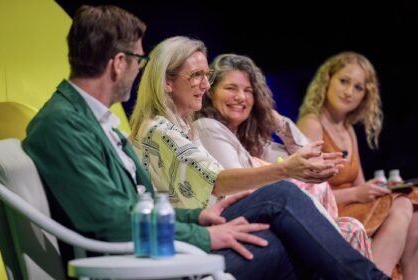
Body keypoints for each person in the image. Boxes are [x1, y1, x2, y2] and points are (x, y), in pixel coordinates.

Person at [21, 6, 389, 278]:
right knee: (282, 201)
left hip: (161, 247)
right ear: (118, 63)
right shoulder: (64, 124)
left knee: (286, 242)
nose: (138, 68)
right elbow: (110, 221)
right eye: (136, 58)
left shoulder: (93, 120)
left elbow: (135, 206)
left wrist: (197, 216)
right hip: (144, 262)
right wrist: (203, 234)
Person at [129, 35, 389, 279]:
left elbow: (307, 154)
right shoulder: (162, 130)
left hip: (209, 224)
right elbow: (217, 180)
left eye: (206, 75)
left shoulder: (188, 128)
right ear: (167, 81)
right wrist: (285, 171)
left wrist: (273, 119)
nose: (205, 85)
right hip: (193, 236)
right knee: (282, 194)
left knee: (289, 246)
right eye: (197, 76)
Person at [193, 53, 371, 259]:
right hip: (241, 221)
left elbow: (309, 158)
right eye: (231, 88)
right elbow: (240, 189)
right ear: (211, 92)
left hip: (280, 218)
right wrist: (287, 173)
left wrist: (278, 121)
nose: (241, 97)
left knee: (353, 228)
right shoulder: (208, 128)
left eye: (248, 91)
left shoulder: (251, 139)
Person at [297, 51, 418, 278]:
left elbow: (361, 184)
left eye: (358, 87)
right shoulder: (311, 125)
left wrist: (385, 188)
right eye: (344, 81)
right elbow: (307, 196)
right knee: (401, 206)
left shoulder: (348, 130)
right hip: (328, 211)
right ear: (327, 80)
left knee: (413, 201)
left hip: (353, 204)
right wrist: (357, 193)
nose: (349, 92)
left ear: (365, 95)